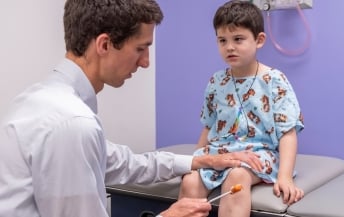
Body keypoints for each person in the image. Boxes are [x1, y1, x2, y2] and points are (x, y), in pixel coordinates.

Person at [0, 1, 264, 217]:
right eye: (141, 49)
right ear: (104, 45)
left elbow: (123, 163)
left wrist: (198, 160)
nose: (146, 62)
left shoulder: (41, 100)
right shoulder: (72, 123)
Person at [178, 1, 305, 217]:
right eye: (222, 40)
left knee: (236, 176)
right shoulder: (216, 82)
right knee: (190, 181)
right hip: (222, 153)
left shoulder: (274, 81)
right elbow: (209, 126)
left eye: (238, 39)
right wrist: (196, 160)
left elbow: (288, 132)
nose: (229, 47)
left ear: (259, 40)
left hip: (259, 154)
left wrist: (284, 176)